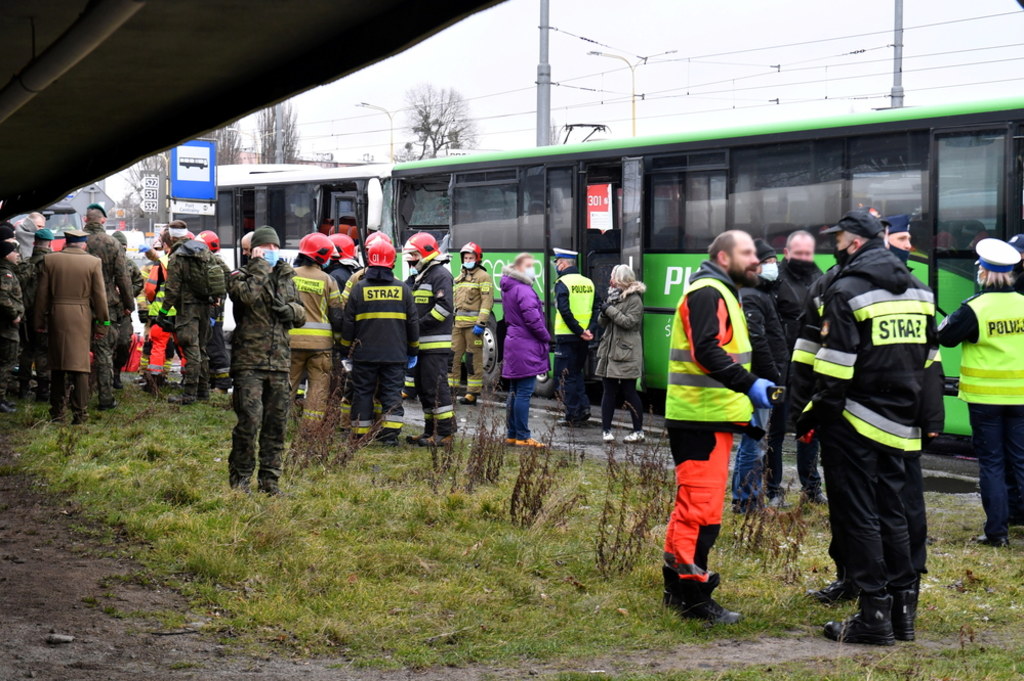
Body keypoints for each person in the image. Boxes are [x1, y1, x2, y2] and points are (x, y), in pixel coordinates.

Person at [798, 209, 941, 645]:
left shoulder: (845, 290)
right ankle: (902, 614)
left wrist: (815, 414)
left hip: (855, 421)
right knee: (896, 515)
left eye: (838, 238)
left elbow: (836, 366)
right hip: (902, 423)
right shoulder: (920, 290)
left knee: (858, 515)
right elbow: (931, 360)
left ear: (856, 243)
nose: (833, 244)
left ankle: (873, 617)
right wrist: (929, 418)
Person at [662, 230, 773, 625]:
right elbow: (706, 350)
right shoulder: (708, 292)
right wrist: (750, 385)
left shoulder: (723, 291)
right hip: (699, 419)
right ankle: (694, 597)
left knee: (689, 508)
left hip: (708, 417)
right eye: (748, 252)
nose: (757, 259)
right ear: (724, 257)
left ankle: (677, 588)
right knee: (701, 512)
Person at [938, 238, 1024, 548]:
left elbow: (944, 337)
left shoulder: (974, 308)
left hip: (985, 401)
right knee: (1021, 459)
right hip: (1021, 399)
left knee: (992, 463)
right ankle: (1019, 517)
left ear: (983, 273)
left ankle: (997, 533)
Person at [226, 226, 305, 494]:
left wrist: (290, 311)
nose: (272, 252)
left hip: (280, 363)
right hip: (249, 362)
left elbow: (301, 313)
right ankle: (240, 480)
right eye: (266, 248)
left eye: (275, 248)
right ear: (255, 251)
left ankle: (270, 482)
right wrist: (259, 266)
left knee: (277, 425)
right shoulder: (240, 276)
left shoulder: (286, 277)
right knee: (249, 421)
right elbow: (246, 297)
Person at [340, 236, 418, 445]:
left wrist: (345, 350)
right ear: (392, 263)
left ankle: (360, 435)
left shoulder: (359, 288)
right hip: (395, 355)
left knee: (363, 393)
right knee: (392, 393)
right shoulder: (403, 289)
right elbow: (412, 324)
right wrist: (413, 350)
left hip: (364, 354)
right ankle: (389, 436)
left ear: (369, 262)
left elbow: (349, 324)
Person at [769, 229, 825, 506]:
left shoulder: (820, 278)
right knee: (776, 432)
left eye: (808, 253)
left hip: (810, 367)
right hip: (780, 366)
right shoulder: (774, 279)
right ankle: (772, 489)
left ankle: (812, 488)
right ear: (787, 253)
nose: (804, 258)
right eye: (799, 253)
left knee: (809, 430)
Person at [732, 239, 787, 512]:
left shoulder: (760, 292)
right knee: (754, 443)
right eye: (769, 261)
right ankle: (747, 501)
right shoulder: (753, 294)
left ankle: (744, 498)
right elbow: (758, 340)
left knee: (753, 441)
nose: (774, 266)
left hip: (760, 379)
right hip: (760, 381)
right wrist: (774, 373)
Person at [34, 230, 108, 424]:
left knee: (57, 364)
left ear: (66, 242)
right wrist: (103, 324)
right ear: (83, 244)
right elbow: (100, 298)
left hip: (57, 315)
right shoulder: (93, 262)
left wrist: (38, 321)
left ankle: (57, 412)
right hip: (82, 317)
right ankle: (80, 413)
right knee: (80, 366)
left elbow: (41, 295)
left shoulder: (50, 260)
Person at [160, 221, 222, 405]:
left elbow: (172, 289)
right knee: (202, 349)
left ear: (171, 237)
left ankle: (189, 394)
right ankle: (203, 391)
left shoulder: (177, 256)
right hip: (206, 306)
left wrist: (163, 312)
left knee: (191, 349)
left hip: (188, 309)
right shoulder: (203, 250)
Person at [403, 232, 456, 447]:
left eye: (414, 255)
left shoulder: (440, 275)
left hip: (435, 346)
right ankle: (429, 431)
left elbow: (443, 310)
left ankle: (445, 433)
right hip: (420, 346)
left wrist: (416, 326)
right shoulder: (418, 277)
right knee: (424, 390)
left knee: (437, 388)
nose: (410, 260)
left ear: (425, 253)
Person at [289, 232, 343, 427]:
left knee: (287, 385)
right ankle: (311, 430)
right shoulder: (328, 280)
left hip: (291, 342)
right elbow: (337, 315)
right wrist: (339, 341)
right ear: (321, 255)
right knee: (318, 387)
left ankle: (279, 425)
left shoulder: (289, 276)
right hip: (321, 346)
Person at [83, 204, 134, 410]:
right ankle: (105, 398)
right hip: (107, 305)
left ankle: (76, 394)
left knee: (78, 350)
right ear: (103, 221)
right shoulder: (112, 243)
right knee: (104, 352)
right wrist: (129, 305)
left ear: (86, 220)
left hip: (80, 304)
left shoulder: (76, 241)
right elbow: (123, 278)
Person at [500, 253, 549, 448]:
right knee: (524, 392)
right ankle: (522, 435)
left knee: (514, 390)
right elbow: (533, 319)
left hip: (514, 342)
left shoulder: (509, 287)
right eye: (529, 265)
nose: (532, 269)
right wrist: (545, 336)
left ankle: (512, 434)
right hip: (526, 344)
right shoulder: (524, 290)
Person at [595, 264, 646, 444]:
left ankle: (638, 431)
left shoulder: (635, 300)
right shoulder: (614, 296)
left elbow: (629, 323)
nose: (610, 279)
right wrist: (604, 311)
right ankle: (606, 430)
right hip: (610, 351)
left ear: (621, 279)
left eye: (613, 276)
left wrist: (608, 309)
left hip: (626, 353)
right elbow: (602, 323)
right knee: (608, 391)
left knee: (629, 391)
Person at [552, 247, 601, 426]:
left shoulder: (562, 282)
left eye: (557, 262)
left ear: (563, 263)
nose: (556, 265)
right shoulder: (588, 282)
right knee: (576, 373)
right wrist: (589, 330)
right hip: (584, 337)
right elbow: (598, 307)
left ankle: (572, 414)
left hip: (567, 336)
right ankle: (583, 408)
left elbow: (564, 310)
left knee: (564, 376)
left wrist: (579, 330)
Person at [450, 242, 493, 405]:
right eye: (465, 257)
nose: (467, 260)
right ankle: (451, 389)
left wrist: (481, 323)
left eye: (471, 257)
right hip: (458, 325)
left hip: (473, 326)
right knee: (452, 357)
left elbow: (487, 302)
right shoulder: (459, 277)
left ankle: (472, 393)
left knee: (472, 359)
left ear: (477, 259)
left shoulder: (483, 277)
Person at [17, 228, 54, 401]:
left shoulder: (25, 263)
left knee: (27, 351)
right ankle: (43, 390)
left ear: (34, 243)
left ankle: (23, 388)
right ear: (50, 243)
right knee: (43, 352)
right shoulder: (52, 263)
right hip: (44, 315)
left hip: (25, 315)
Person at [196, 230, 232, 394]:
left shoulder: (215, 264)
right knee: (209, 346)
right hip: (210, 309)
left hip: (213, 310)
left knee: (216, 346)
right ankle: (212, 381)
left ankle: (223, 384)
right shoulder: (211, 262)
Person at [110, 230, 144, 390]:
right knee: (107, 344)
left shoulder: (130, 265)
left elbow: (139, 282)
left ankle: (117, 371)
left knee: (124, 342)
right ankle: (106, 375)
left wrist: (128, 292)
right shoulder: (104, 263)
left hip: (124, 312)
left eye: (124, 246)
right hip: (108, 310)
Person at [0, 241, 24, 413]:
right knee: (6, 363)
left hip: (7, 325)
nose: (17, 254)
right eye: (14, 252)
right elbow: (2, 297)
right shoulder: (5, 274)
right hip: (6, 326)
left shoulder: (8, 271)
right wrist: (14, 315)